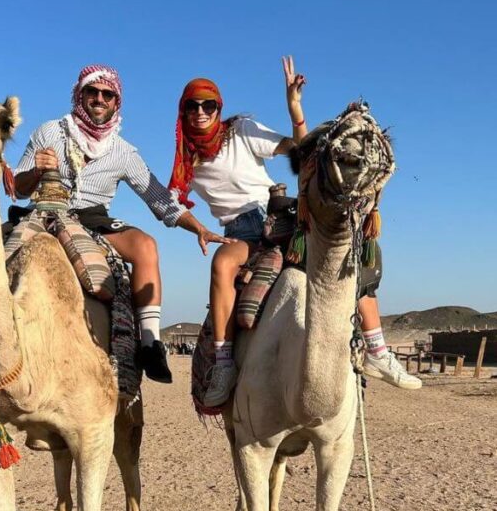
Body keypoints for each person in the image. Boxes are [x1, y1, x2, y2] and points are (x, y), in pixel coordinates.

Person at [0, 65, 228, 406]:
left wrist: (199, 228)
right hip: (41, 212)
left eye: (108, 95)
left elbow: (159, 200)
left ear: (116, 102)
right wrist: (38, 169)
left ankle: (150, 345)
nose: (99, 99)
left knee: (146, 246)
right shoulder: (50, 132)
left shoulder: (123, 152)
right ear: (80, 95)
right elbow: (17, 185)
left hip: (92, 219)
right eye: (93, 92)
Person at [168, 59, 421, 407]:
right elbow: (169, 204)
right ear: (183, 110)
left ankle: (377, 349)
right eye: (193, 106)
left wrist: (294, 107)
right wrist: (199, 228)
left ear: (218, 107)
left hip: (281, 212)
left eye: (208, 104)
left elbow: (300, 152)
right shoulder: (185, 163)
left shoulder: (241, 131)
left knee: (345, 250)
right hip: (242, 232)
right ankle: (224, 363)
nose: (201, 112)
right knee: (223, 264)